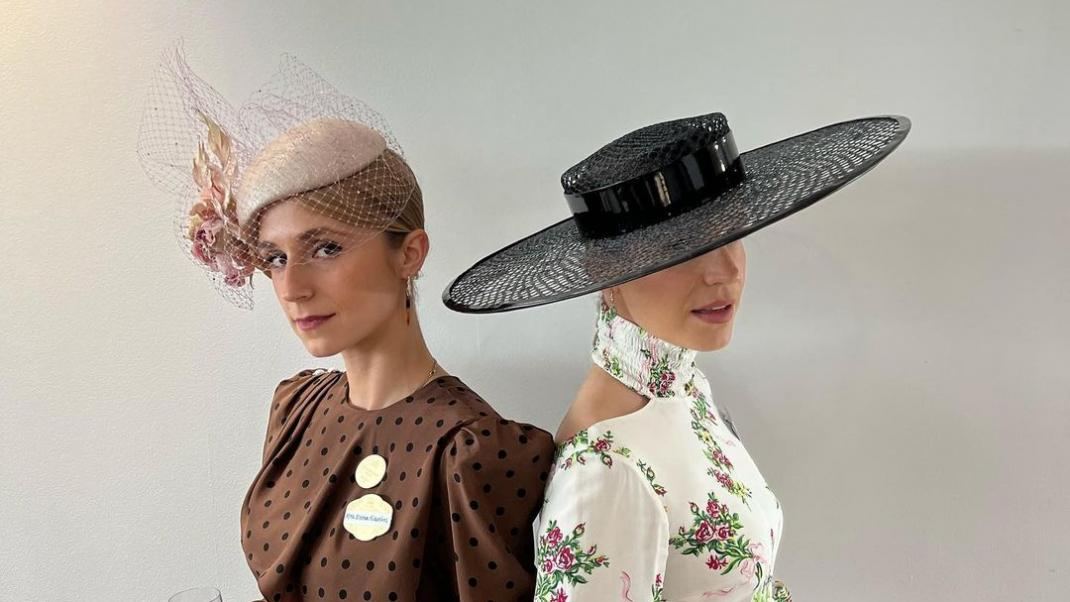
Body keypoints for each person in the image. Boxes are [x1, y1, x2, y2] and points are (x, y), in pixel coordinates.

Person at [139, 47, 555, 602]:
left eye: (326, 248)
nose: (292, 287)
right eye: (276, 258)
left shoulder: (470, 452)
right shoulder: (296, 410)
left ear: (410, 253)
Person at [444, 111, 911, 601]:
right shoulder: (606, 468)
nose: (725, 271)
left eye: (732, 234)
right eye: (684, 248)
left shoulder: (686, 391)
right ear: (605, 270)